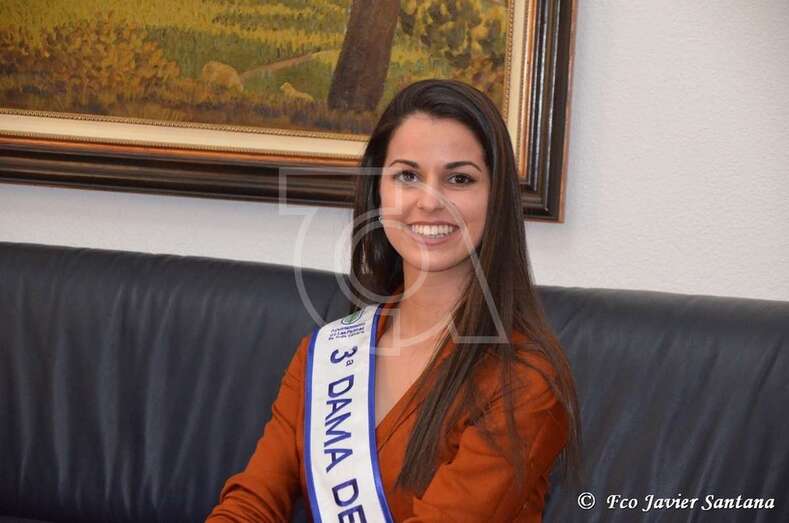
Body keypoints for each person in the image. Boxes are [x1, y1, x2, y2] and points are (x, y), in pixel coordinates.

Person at [206, 79, 581, 522]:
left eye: (459, 178)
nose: (430, 201)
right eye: (407, 176)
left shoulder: (523, 381)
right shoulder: (324, 355)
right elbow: (252, 503)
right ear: (378, 192)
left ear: (496, 197)